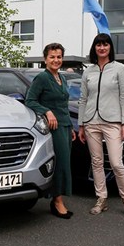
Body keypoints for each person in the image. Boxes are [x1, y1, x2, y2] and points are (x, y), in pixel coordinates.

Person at [77, 33, 124, 219]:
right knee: (96, 162)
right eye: (98, 45)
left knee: (116, 163)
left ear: (110, 47)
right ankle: (101, 198)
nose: (102, 48)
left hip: (113, 122)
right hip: (91, 122)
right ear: (94, 48)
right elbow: (83, 99)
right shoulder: (88, 71)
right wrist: (81, 125)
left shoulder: (119, 69)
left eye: (105, 45)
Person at [26, 43, 77, 219]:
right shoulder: (42, 78)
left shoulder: (61, 78)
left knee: (65, 164)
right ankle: (57, 201)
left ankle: (58, 198)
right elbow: (30, 101)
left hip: (65, 126)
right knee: (60, 164)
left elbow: (63, 105)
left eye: (59, 57)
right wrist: (47, 112)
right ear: (45, 59)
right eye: (52, 57)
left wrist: (70, 126)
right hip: (53, 128)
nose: (56, 60)